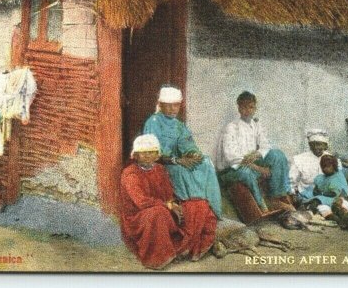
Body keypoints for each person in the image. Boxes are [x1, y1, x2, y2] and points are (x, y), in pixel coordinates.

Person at [119, 134, 217, 269]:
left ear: (157, 155)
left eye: (151, 152)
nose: (147, 156)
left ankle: (193, 247)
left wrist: (174, 205)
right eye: (143, 153)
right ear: (135, 156)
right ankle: (159, 257)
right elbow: (141, 201)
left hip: (164, 208)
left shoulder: (160, 169)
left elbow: (168, 194)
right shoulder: (130, 174)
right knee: (158, 213)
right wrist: (168, 205)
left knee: (199, 205)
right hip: (140, 217)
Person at [142, 85, 223, 218]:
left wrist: (193, 153)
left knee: (206, 163)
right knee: (181, 171)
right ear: (161, 105)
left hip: (178, 160)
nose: (173, 109)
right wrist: (176, 160)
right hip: (162, 164)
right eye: (169, 105)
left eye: (176, 105)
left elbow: (186, 143)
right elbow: (152, 153)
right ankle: (191, 209)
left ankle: (211, 209)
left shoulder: (179, 125)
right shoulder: (153, 122)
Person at [215, 91, 294, 213]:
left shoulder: (256, 125)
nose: (248, 110)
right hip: (232, 169)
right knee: (247, 173)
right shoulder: (232, 127)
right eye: (244, 107)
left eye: (251, 107)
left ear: (255, 108)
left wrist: (256, 154)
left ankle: (276, 196)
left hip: (250, 161)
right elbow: (231, 157)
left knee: (277, 155)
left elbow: (265, 144)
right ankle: (260, 205)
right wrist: (259, 168)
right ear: (239, 108)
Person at [303, 153, 348, 231]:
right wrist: (317, 191)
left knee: (341, 208)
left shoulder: (338, 177)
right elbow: (315, 191)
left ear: (334, 166)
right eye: (323, 167)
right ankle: (341, 222)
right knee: (324, 210)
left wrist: (321, 194)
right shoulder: (320, 178)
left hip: (336, 198)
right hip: (323, 200)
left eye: (328, 166)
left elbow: (335, 193)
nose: (325, 169)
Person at [288, 129, 343, 198]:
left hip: (329, 195)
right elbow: (291, 182)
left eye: (319, 144)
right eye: (312, 144)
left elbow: (339, 181)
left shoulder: (333, 160)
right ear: (309, 145)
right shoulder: (299, 159)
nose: (316, 147)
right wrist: (293, 195)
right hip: (305, 195)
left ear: (325, 146)